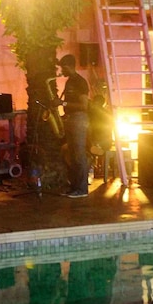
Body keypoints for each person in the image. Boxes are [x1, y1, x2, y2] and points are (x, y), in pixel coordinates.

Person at [57, 54, 90, 197]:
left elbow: (84, 106)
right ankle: (74, 187)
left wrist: (62, 103)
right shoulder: (69, 81)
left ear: (70, 66)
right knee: (72, 155)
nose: (62, 71)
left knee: (79, 155)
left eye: (63, 68)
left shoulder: (80, 82)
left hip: (78, 119)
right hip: (71, 119)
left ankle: (82, 189)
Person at [88, 94, 114, 180]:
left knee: (84, 149)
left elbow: (92, 129)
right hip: (107, 142)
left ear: (97, 102)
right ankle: (99, 168)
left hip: (99, 142)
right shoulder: (108, 114)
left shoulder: (93, 114)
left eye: (94, 102)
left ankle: (90, 171)